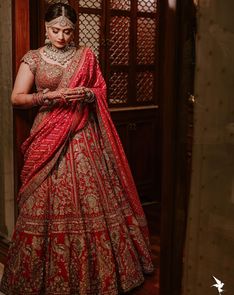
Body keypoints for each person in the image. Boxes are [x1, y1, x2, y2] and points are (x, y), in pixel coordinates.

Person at [0, 2, 154, 294]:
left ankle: (96, 275)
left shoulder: (86, 56)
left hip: (83, 133)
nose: (61, 36)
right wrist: (53, 96)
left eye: (68, 31)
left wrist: (87, 93)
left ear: (74, 31)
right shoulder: (33, 58)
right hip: (47, 133)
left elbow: (101, 90)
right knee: (41, 199)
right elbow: (17, 98)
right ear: (46, 28)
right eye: (56, 30)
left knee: (91, 195)